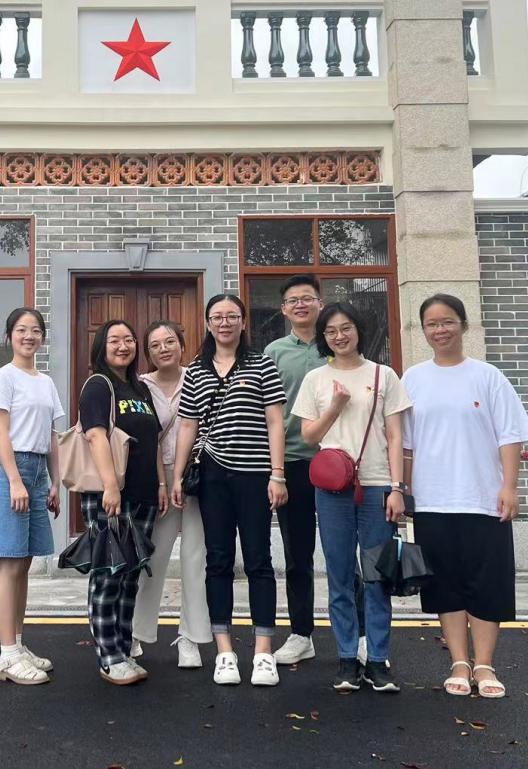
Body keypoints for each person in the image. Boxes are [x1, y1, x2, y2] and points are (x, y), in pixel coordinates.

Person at [402, 293, 528, 700]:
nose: (440, 330)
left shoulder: (488, 376)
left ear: (463, 324)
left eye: (447, 321)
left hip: (482, 498)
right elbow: (405, 445)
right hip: (433, 499)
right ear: (423, 330)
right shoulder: (413, 379)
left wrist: (509, 487)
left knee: (487, 582)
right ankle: (459, 662)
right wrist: (403, 492)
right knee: (445, 584)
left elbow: (510, 435)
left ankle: (485, 664)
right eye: (431, 324)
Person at [292, 302, 412, 693]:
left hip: (377, 487)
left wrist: (398, 488)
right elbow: (309, 436)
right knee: (340, 574)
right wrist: (335, 406)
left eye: (345, 328)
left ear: (358, 329)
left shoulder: (383, 375)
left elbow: (395, 435)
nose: (339, 336)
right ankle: (347, 658)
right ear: (323, 337)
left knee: (377, 577)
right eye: (330, 331)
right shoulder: (316, 379)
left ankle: (377, 660)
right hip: (332, 489)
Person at [171, 293, 287, 688]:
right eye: (217, 317)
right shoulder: (196, 371)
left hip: (255, 474)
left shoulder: (261, 364)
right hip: (213, 474)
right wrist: (177, 476)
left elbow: (275, 421)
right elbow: (187, 425)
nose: (224, 323)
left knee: (259, 560)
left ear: (242, 322)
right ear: (208, 323)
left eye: (231, 316)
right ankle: (224, 651)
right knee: (217, 560)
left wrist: (277, 474)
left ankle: (263, 652)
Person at [78, 319, 164, 685]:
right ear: (102, 346)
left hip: (144, 494)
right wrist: (110, 485)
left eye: (129, 339)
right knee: (109, 575)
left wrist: (160, 483)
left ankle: (124, 648)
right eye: (114, 340)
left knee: (130, 578)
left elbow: (154, 439)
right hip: (111, 496)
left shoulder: (139, 388)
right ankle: (108, 655)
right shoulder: (99, 385)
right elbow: (96, 435)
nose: (123, 346)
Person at [0, 307, 64, 685]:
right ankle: (7, 656)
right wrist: (15, 480)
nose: (28, 336)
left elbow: (51, 436)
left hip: (36, 471)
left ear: (42, 338)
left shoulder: (45, 382)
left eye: (35, 330)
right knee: (10, 564)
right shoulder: (3, 377)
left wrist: (55, 482)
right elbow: (1, 433)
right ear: (9, 336)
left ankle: (17, 643)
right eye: (21, 330)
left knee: (25, 562)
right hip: (9, 469)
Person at [132, 320, 211, 669]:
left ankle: (190, 637)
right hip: (157, 479)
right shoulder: (140, 386)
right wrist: (162, 483)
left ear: (181, 344)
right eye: (155, 345)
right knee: (152, 558)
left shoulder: (199, 377)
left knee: (195, 557)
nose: (163, 349)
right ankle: (136, 631)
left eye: (169, 342)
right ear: (148, 352)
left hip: (196, 476)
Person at [262, 275, 327, 666]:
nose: (301, 305)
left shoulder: (336, 344)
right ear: (284, 309)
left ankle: (361, 635)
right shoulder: (274, 352)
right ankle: (302, 633)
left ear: (320, 303)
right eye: (293, 300)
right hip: (292, 463)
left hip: (338, 463)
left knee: (345, 555)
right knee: (297, 555)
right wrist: (275, 470)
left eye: (307, 298)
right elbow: (266, 412)